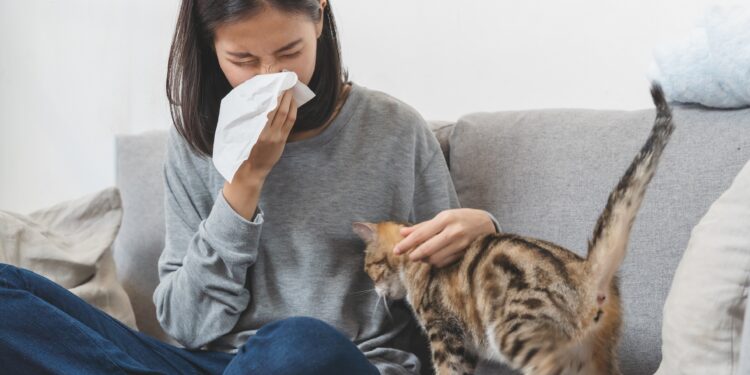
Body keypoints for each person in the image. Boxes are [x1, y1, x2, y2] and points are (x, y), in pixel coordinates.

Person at [0, 1, 498, 374]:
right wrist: (244, 185)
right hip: (212, 363)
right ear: (211, 48)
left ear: (319, 17)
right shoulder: (195, 145)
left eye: (289, 51)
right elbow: (187, 326)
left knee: (299, 342)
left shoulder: (394, 129)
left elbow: (449, 310)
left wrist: (483, 234)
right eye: (242, 59)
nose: (272, 76)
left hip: (333, 361)